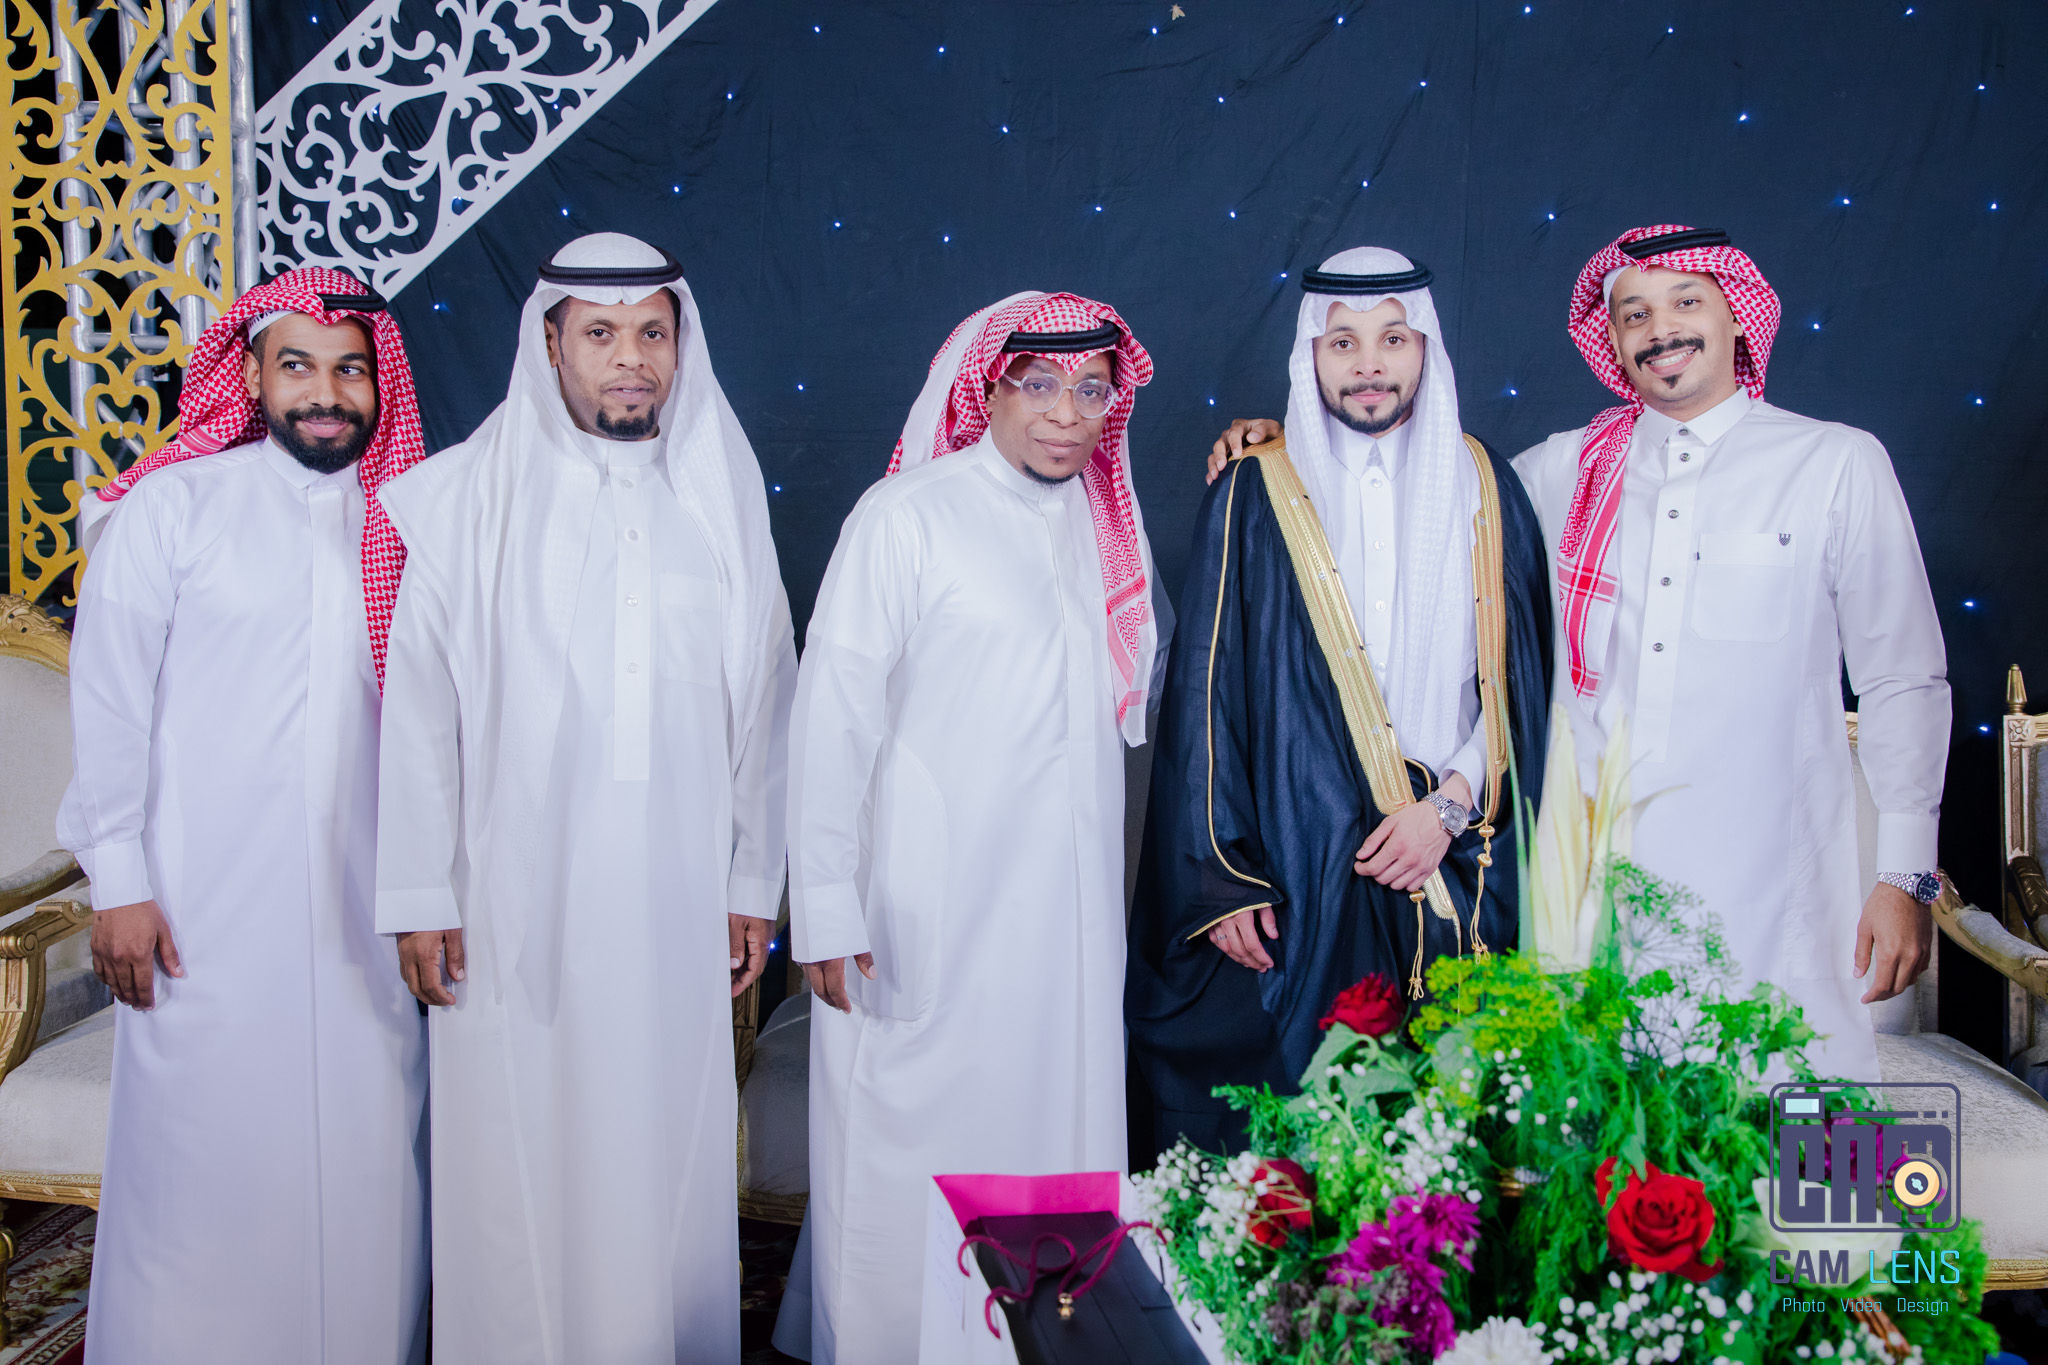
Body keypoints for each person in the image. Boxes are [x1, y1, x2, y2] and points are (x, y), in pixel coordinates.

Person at [373, 233, 795, 1364]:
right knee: (518, 1139)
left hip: (674, 892)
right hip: (510, 898)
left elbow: (769, 701)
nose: (630, 359)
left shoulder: (717, 498)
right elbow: (418, 712)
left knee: (663, 1135)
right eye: (600, 333)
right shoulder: (467, 500)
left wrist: (751, 878)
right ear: (550, 343)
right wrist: (418, 892)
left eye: (652, 333)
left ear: (680, 346)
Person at [783, 293, 1162, 1363]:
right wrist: (825, 902)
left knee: (1054, 1135)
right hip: (926, 910)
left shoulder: (1101, 526)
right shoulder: (906, 516)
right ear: (986, 390)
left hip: (1065, 927)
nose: (1066, 413)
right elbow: (831, 717)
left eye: (1091, 389)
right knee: (907, 1146)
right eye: (1038, 385)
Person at [60, 269, 430, 1364]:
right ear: (252, 375)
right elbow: (109, 704)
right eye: (297, 366)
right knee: (199, 1166)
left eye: (350, 369)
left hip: (366, 913)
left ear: (379, 383)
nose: (326, 393)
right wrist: (119, 884)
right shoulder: (173, 508)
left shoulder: (416, 521)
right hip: (197, 913)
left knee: (368, 1162)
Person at [1126, 248, 1551, 1161]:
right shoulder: (1254, 489)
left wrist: (1448, 807)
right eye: (1343, 342)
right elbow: (1205, 696)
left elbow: (1521, 683)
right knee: (1299, 1131)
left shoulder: (1489, 486)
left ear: (1425, 348)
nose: (1369, 364)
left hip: (1452, 856)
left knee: (1451, 1132)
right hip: (1298, 860)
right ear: (1308, 356)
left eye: (1393, 339)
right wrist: (1221, 879)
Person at [1512, 224, 1947, 1082]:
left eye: (1685, 301)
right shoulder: (1565, 468)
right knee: (1608, 1132)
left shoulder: (1833, 461)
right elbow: (1429, 503)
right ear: (1614, 341)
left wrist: (1905, 876)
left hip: (1775, 892)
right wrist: (1278, 450)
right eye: (1634, 314)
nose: (1659, 329)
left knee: (1799, 1133)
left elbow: (1903, 675)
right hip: (1596, 892)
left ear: (1737, 316)